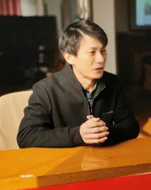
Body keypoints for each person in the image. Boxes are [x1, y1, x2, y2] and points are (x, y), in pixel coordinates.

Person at [17, 20, 139, 148]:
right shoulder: (46, 89)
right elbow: (26, 136)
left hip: (104, 157)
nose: (101, 59)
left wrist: (101, 132)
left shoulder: (114, 83)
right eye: (92, 53)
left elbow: (131, 126)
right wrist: (78, 134)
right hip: (65, 159)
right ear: (69, 57)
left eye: (103, 51)